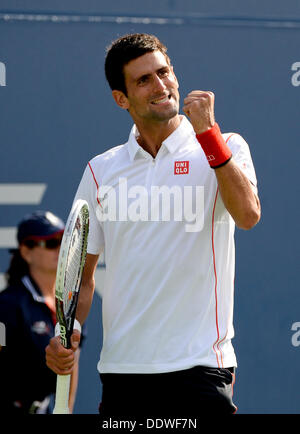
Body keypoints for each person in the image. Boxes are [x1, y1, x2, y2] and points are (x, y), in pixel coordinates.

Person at [46, 33, 261, 416]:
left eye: (164, 72)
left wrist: (208, 134)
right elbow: (83, 273)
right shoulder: (101, 170)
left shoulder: (225, 144)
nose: (161, 85)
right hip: (123, 372)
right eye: (144, 80)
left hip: (200, 368)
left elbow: (247, 215)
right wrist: (71, 331)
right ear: (121, 99)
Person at [0, 211, 82, 414]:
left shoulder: (71, 303)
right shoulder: (7, 305)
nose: (60, 249)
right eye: (51, 243)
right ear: (26, 252)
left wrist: (67, 411)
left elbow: (73, 362)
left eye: (63, 241)